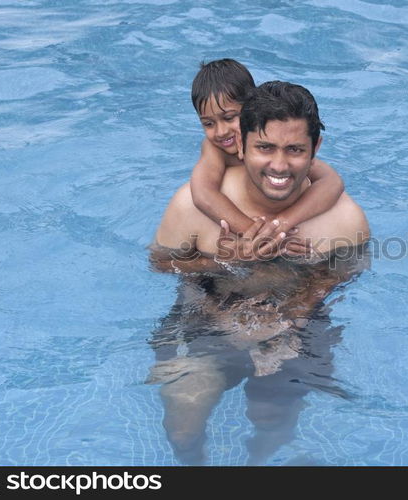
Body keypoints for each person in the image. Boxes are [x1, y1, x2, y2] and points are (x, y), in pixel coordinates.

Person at [149, 81, 370, 465]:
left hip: (296, 326)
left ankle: (258, 462)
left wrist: (291, 316)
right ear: (242, 144)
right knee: (183, 424)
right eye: (265, 148)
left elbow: (347, 272)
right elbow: (161, 263)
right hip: (205, 321)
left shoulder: (344, 219)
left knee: (272, 417)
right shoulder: (192, 206)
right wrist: (224, 262)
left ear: (315, 150)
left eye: (295, 150)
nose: (279, 166)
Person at [188, 59, 345, 243]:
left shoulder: (281, 151)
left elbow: (332, 182)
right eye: (208, 123)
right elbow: (203, 194)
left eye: (229, 118)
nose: (221, 132)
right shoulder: (214, 149)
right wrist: (255, 235)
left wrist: (282, 225)